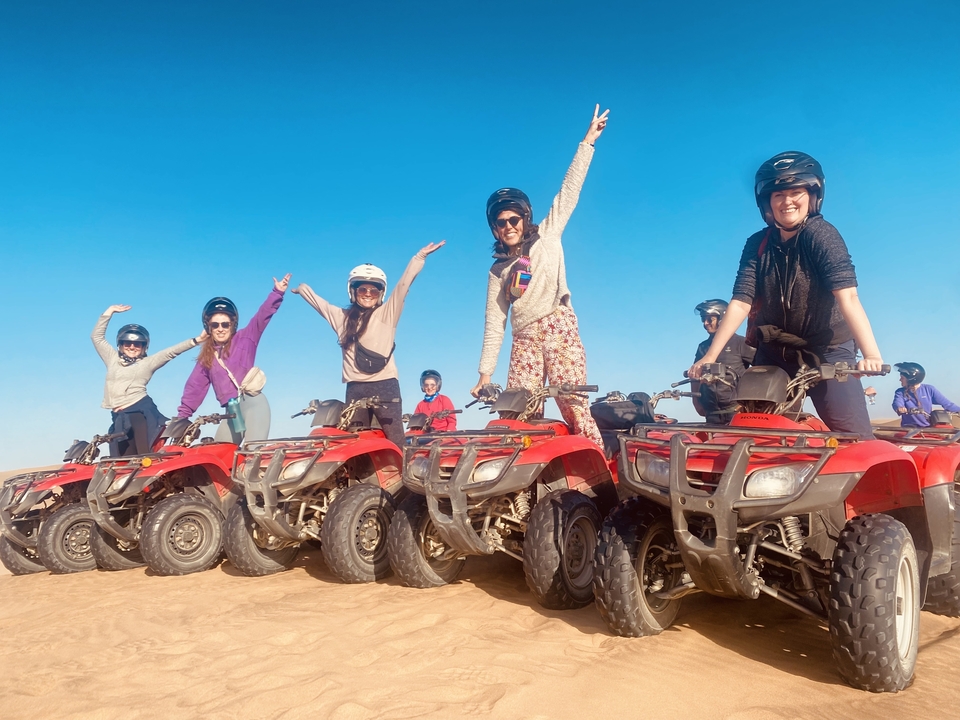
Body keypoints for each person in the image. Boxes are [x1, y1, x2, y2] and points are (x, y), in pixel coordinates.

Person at [688, 151, 883, 438]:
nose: (787, 201)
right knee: (756, 431)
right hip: (774, 350)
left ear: (813, 195)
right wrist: (710, 357)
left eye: (795, 192)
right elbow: (742, 300)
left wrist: (871, 355)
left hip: (826, 349)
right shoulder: (757, 243)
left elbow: (848, 297)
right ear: (766, 202)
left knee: (852, 435)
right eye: (778, 194)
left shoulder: (822, 235)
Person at [470, 105, 608, 449]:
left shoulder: (547, 235)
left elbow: (569, 191)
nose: (508, 226)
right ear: (495, 229)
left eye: (513, 219)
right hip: (524, 340)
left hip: (558, 326)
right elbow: (494, 321)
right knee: (520, 412)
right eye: (501, 222)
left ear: (525, 218)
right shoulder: (497, 271)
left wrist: (587, 142)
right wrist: (485, 374)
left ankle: (599, 471)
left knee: (573, 403)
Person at [293, 243, 445, 450]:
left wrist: (419, 257)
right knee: (355, 443)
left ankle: (405, 480)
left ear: (380, 294)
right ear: (352, 291)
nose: (367, 293)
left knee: (395, 441)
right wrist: (301, 289)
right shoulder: (342, 318)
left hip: (385, 386)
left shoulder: (386, 314)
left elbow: (403, 286)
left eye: (374, 290)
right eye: (362, 288)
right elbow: (320, 304)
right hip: (354, 388)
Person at [177, 274, 291, 444]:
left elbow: (262, 316)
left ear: (233, 325)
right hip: (230, 413)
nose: (220, 329)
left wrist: (277, 292)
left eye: (225, 324)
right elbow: (194, 387)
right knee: (218, 455)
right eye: (215, 325)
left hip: (253, 403)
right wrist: (181, 419)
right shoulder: (206, 357)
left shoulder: (246, 338)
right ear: (208, 327)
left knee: (252, 454)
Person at [92, 305, 205, 456]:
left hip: (139, 415)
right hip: (119, 417)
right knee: (121, 460)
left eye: (138, 344)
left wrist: (196, 340)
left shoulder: (147, 363)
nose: (132, 347)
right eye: (127, 343)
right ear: (120, 345)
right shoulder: (112, 359)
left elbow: (170, 352)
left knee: (144, 457)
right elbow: (96, 337)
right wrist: (109, 312)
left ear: (144, 347)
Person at [691, 299, 755, 424]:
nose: (705, 323)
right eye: (703, 319)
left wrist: (750, 402)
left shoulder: (741, 343)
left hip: (737, 411)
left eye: (710, 319)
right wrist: (696, 401)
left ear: (722, 318)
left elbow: (761, 371)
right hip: (711, 412)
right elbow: (695, 374)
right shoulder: (702, 347)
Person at [893, 362, 960, 428]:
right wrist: (900, 408)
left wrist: (958, 410)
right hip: (907, 429)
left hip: (927, 428)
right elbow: (897, 402)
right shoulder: (900, 392)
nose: (900, 380)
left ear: (911, 379)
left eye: (902, 378)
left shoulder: (929, 389)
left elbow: (947, 404)